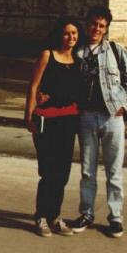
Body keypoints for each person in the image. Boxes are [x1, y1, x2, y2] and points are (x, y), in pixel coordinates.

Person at [71, 6, 127, 238]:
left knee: (114, 171)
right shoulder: (77, 53)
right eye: (93, 24)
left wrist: (125, 105)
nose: (97, 29)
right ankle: (86, 213)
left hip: (113, 118)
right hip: (86, 117)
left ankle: (116, 217)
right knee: (87, 170)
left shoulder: (116, 50)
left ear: (106, 28)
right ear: (86, 24)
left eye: (101, 26)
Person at [24, 18, 83, 238]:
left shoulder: (77, 60)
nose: (71, 38)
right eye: (67, 33)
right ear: (60, 35)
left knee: (63, 174)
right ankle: (41, 216)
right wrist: (27, 115)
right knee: (48, 172)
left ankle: (54, 217)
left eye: (75, 34)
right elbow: (33, 86)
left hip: (68, 122)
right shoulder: (47, 55)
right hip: (47, 121)